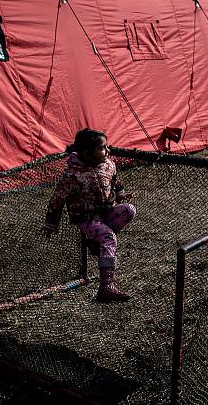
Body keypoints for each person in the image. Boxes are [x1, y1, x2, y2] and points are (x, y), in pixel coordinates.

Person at [44, 129, 136, 302]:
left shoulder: (108, 165)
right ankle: (106, 287)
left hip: (107, 211)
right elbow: (57, 199)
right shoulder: (73, 175)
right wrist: (51, 223)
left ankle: (95, 242)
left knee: (129, 210)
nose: (107, 150)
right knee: (109, 238)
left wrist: (120, 194)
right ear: (87, 153)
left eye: (107, 146)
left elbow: (114, 181)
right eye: (102, 148)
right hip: (86, 218)